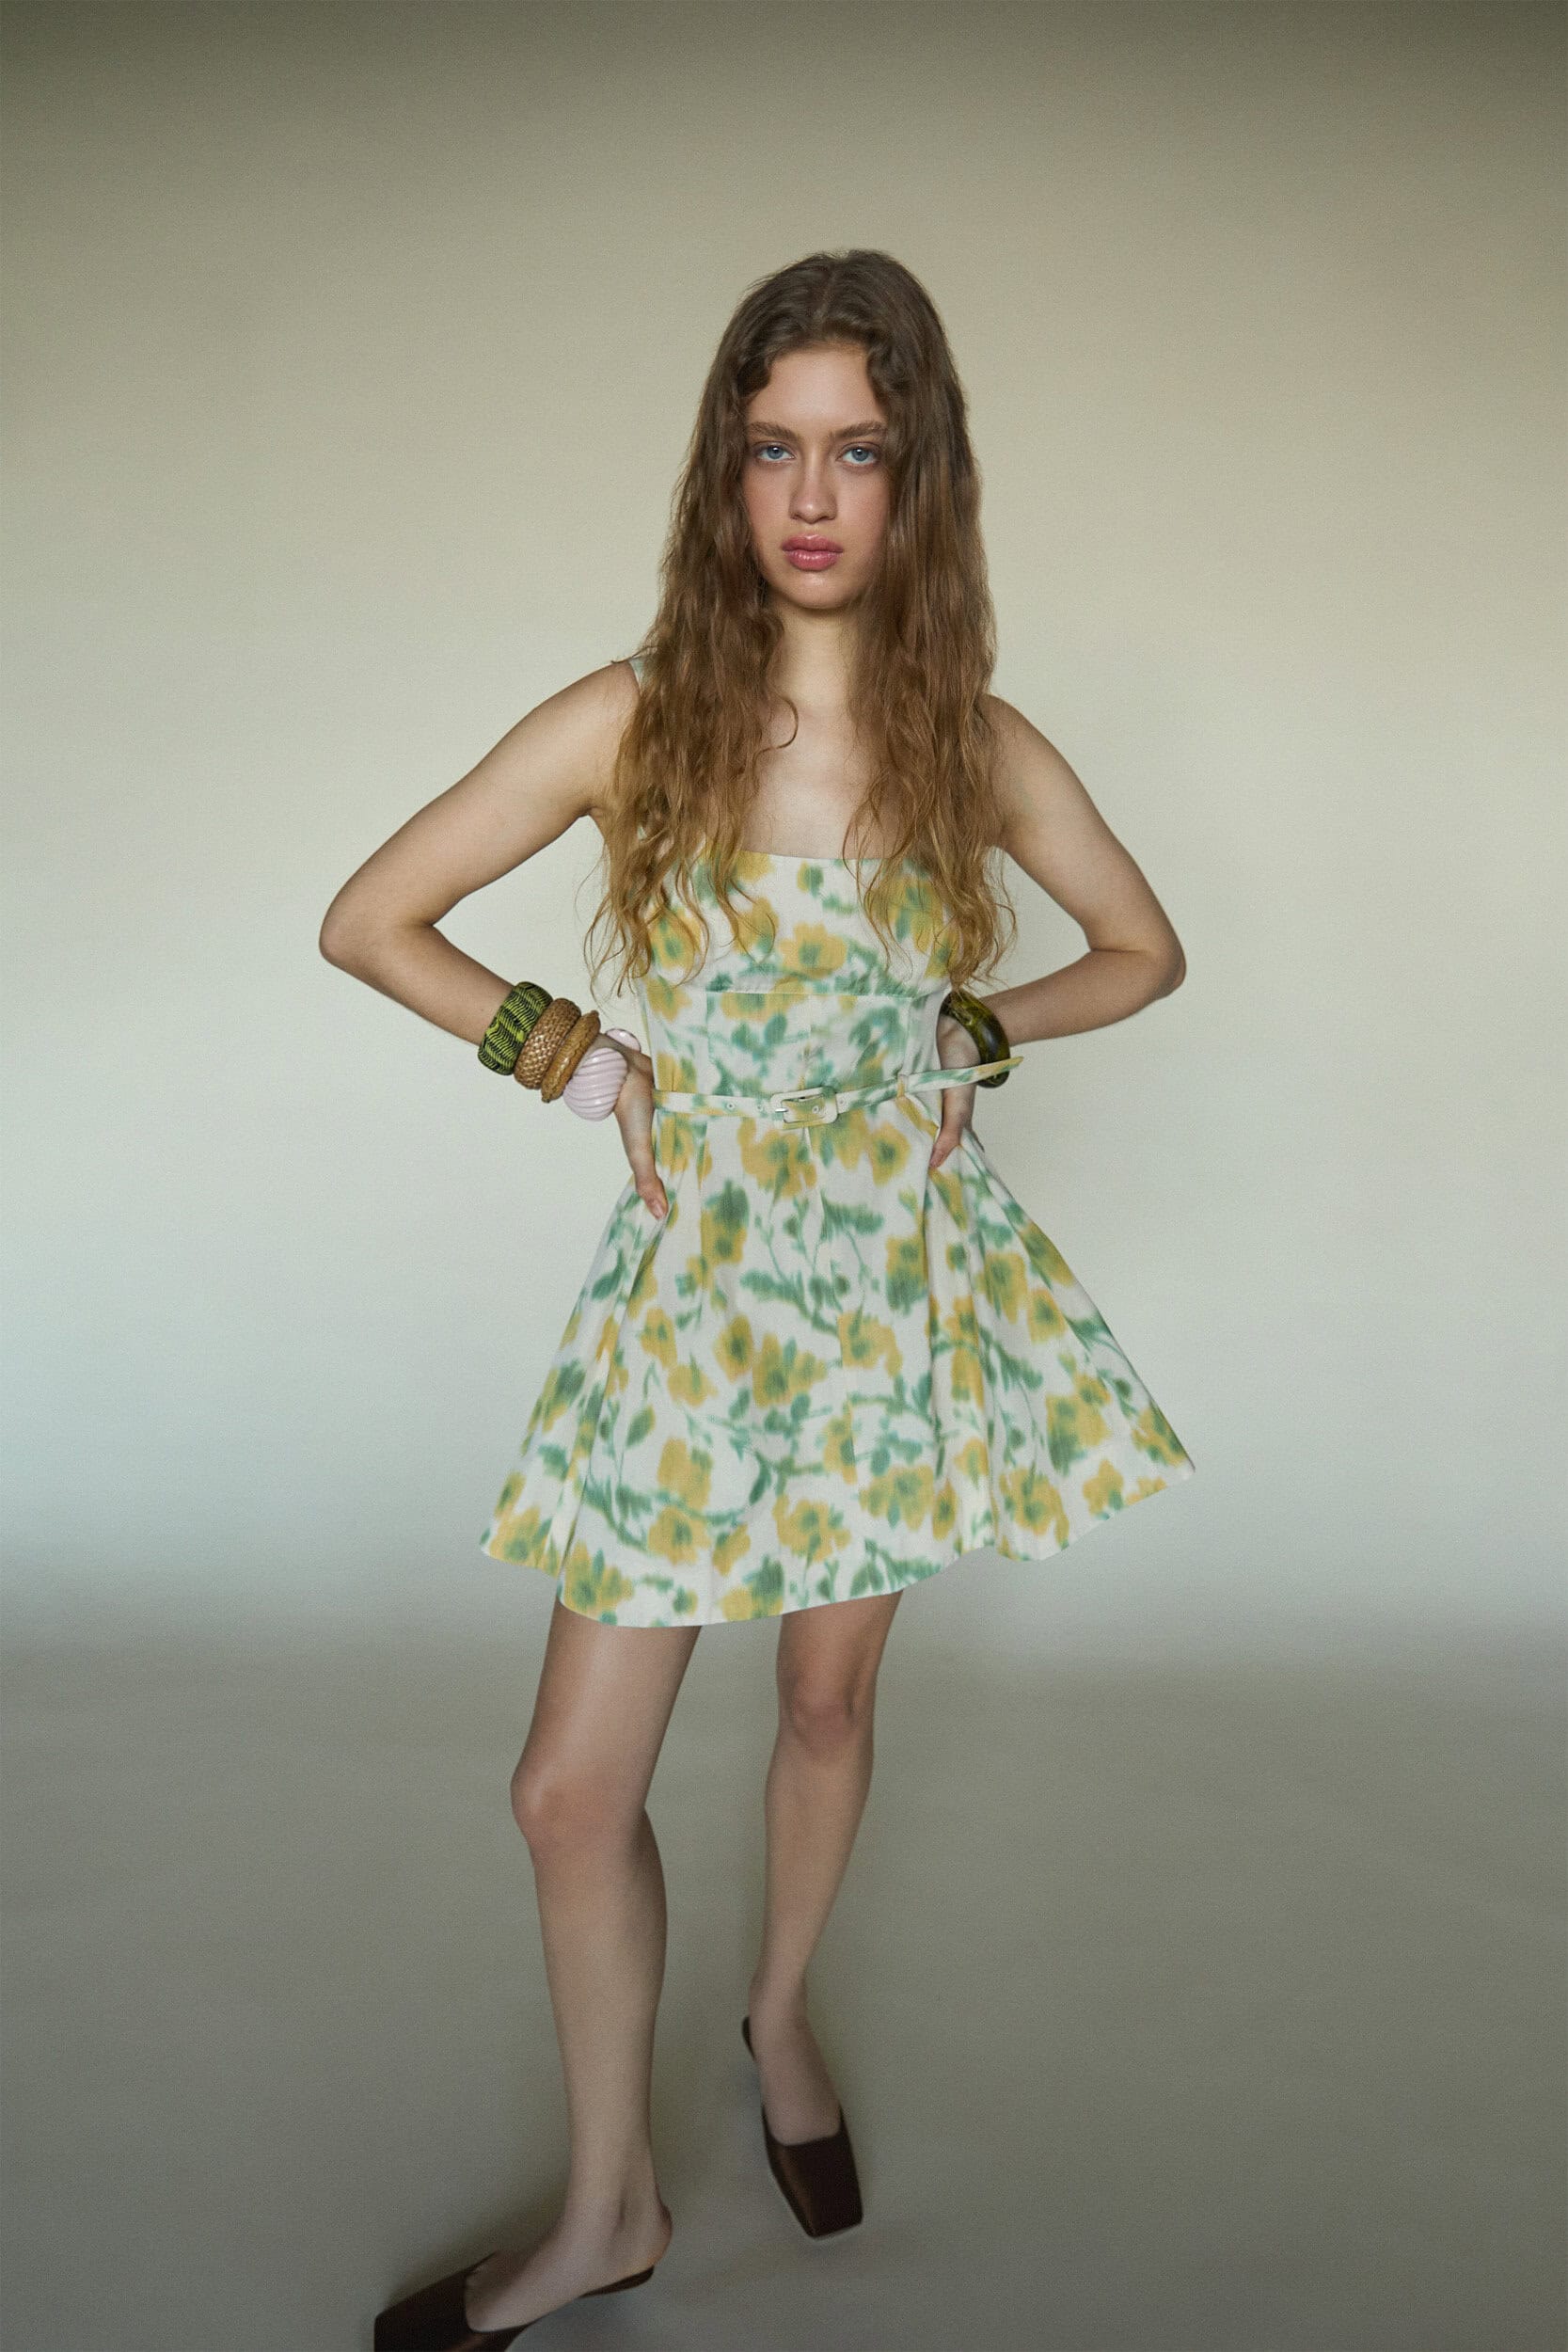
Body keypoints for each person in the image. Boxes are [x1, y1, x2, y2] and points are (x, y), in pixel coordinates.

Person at [326, 249, 1196, 2350]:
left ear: (920, 478)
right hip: (698, 1302)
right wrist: (576, 1057)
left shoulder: (973, 742)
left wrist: (973, 1031)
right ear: (726, 471)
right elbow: (372, 919)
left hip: (892, 1285)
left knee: (824, 1703)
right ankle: (610, 2210)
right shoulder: (634, 717)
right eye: (774, 447)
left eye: (859, 451)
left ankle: (779, 2011)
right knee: (568, 1789)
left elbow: (1142, 951)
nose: (812, 496)